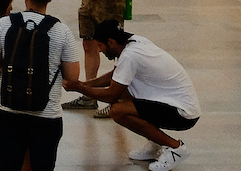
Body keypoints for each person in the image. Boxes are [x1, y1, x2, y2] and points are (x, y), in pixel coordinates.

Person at [0, 0, 80, 171]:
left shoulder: (3, 24)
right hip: (46, 115)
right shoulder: (62, 31)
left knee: (7, 163)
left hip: (8, 111)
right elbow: (72, 77)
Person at [69, 22, 200, 171]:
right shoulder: (134, 42)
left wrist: (80, 88)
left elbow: (111, 95)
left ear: (111, 42)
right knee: (124, 93)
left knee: (118, 111)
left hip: (182, 113)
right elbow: (116, 75)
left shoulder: (130, 56)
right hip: (173, 103)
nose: (99, 50)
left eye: (100, 45)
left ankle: (176, 149)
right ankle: (154, 144)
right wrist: (86, 84)